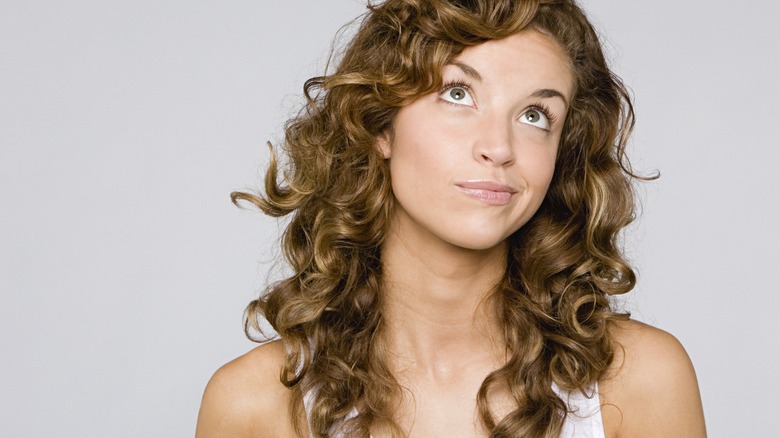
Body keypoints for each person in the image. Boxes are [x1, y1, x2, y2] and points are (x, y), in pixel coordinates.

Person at [196, 0, 706, 436]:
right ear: (381, 126)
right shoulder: (254, 403)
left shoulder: (639, 380)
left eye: (535, 115)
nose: (499, 148)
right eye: (458, 94)